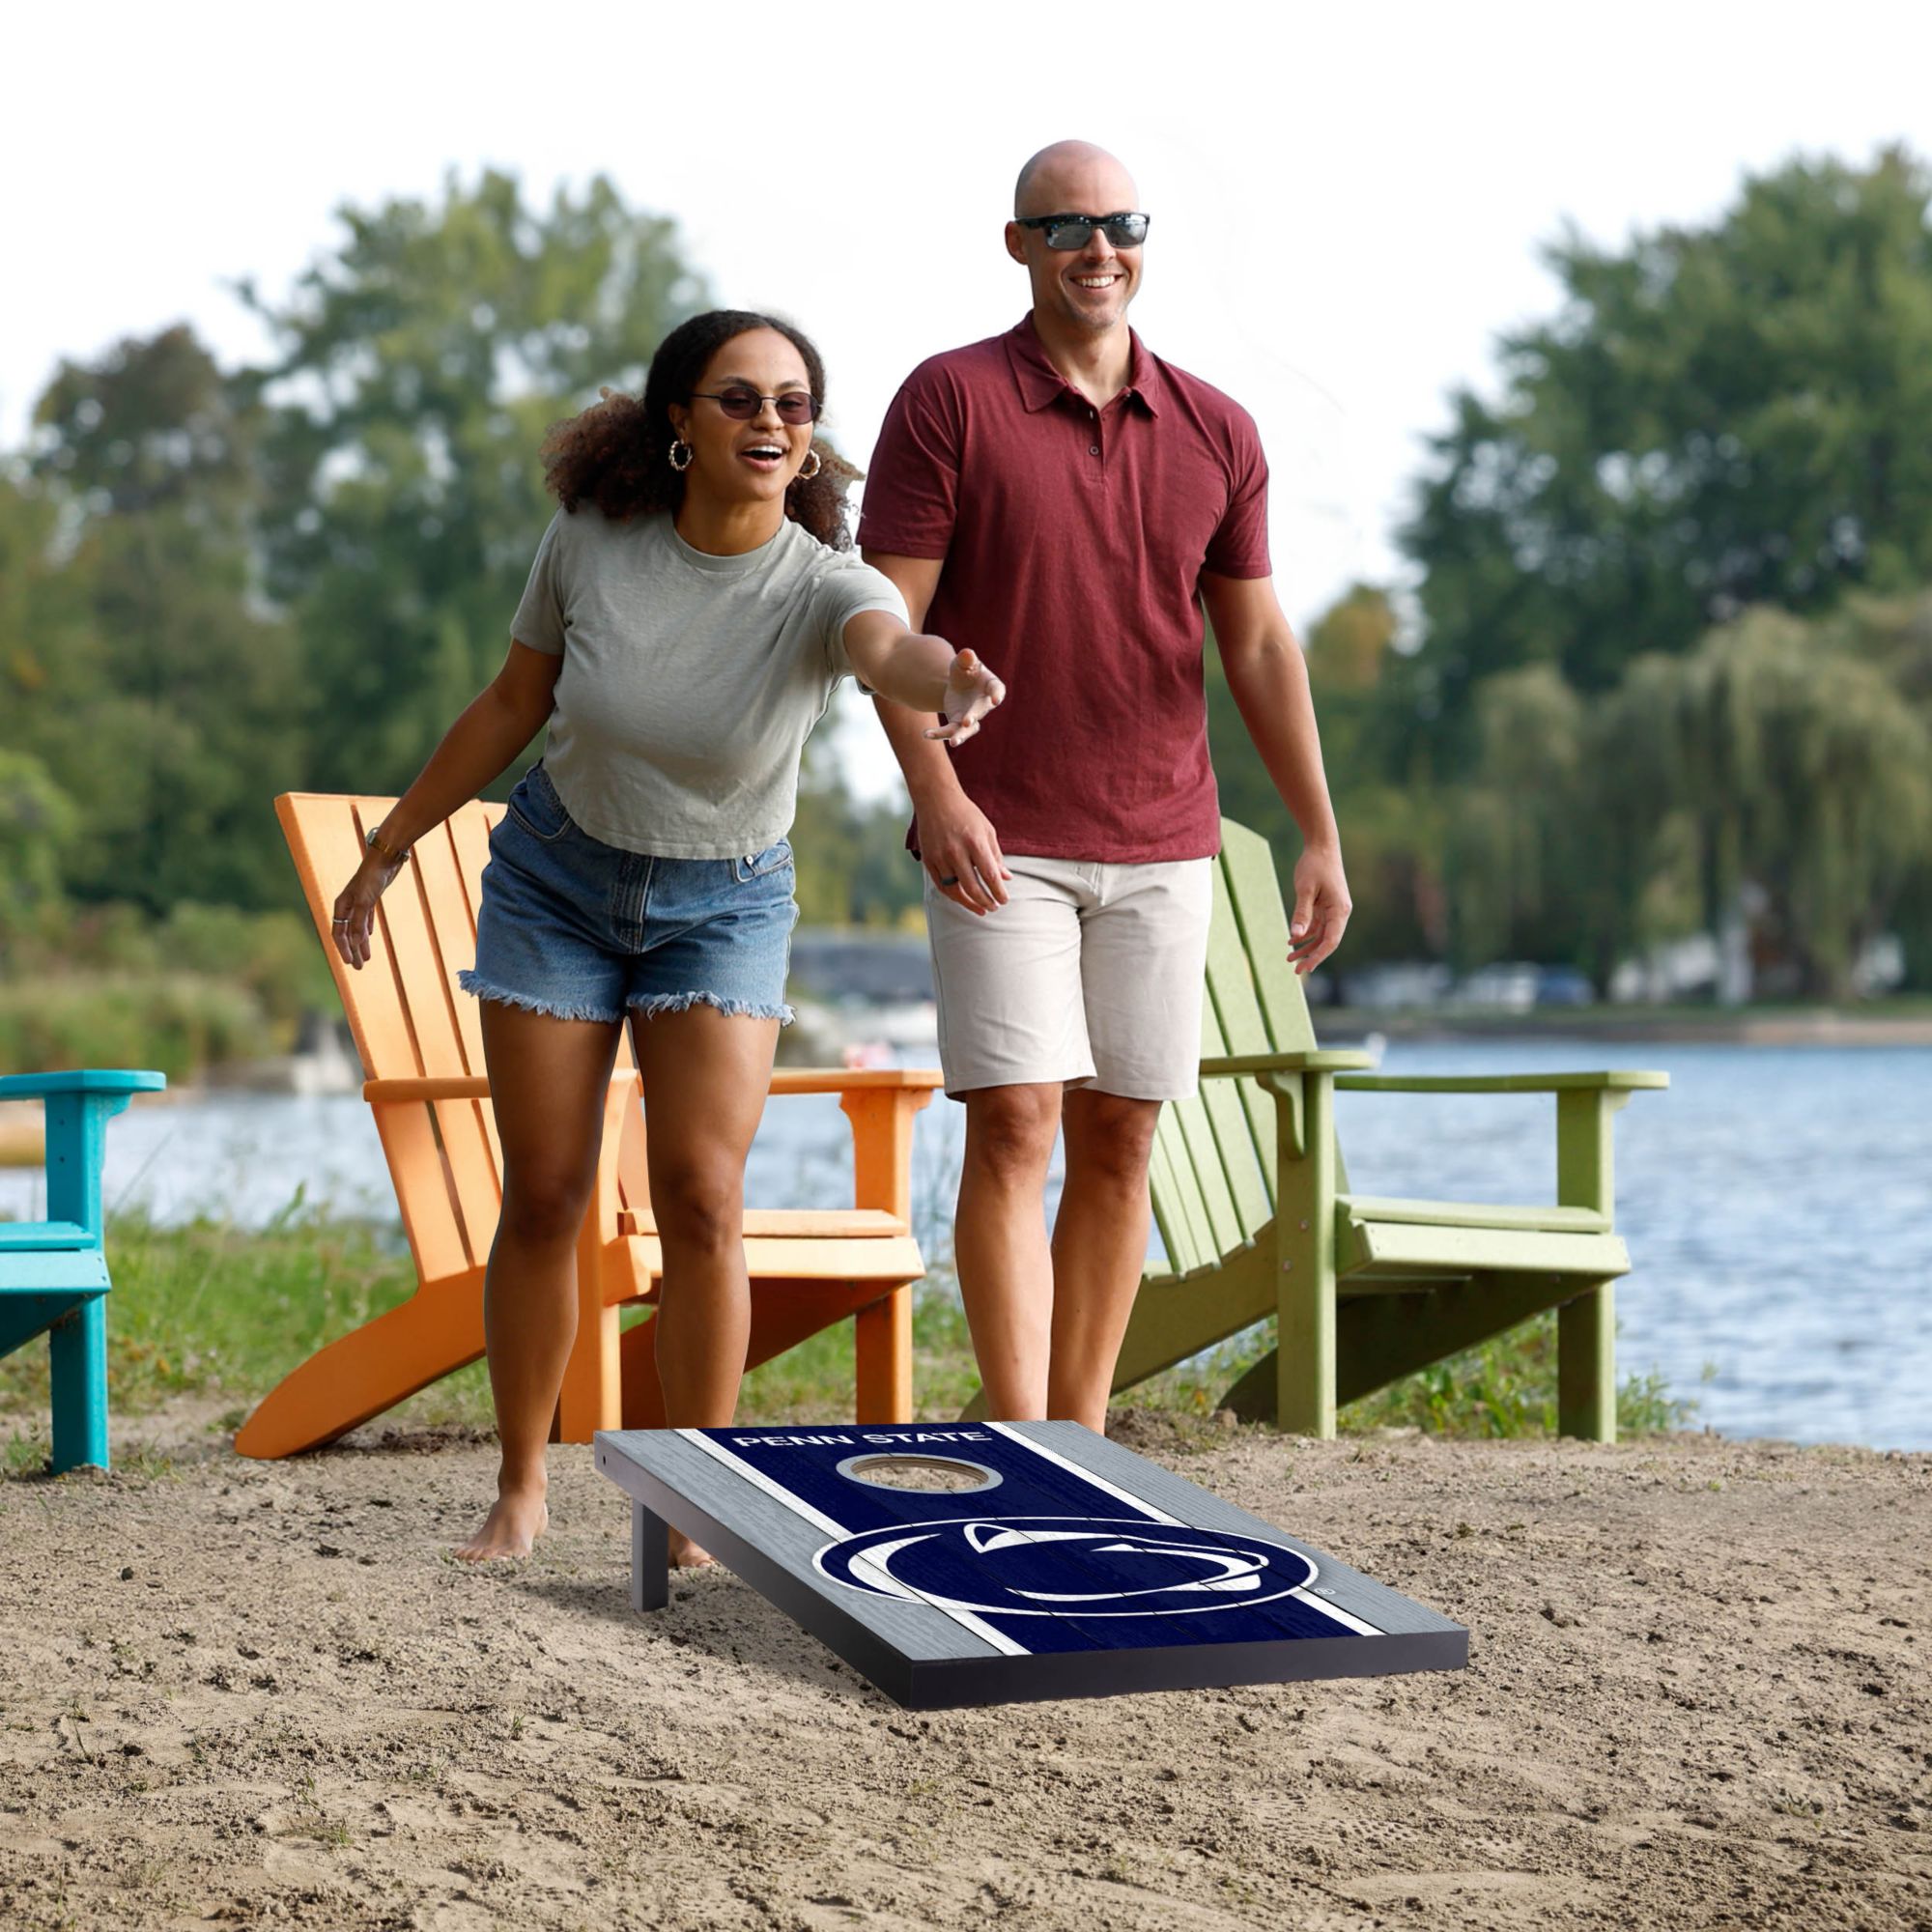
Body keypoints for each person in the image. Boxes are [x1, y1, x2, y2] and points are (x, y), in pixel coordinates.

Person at [328, 309, 1005, 1565]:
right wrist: (395, 841)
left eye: (793, 405)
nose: (769, 423)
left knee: (702, 1196)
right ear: (680, 425)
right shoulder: (592, 542)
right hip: (556, 886)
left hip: (725, 904)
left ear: (809, 443)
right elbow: (513, 701)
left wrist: (946, 683)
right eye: (739, 399)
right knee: (546, 1192)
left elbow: (887, 652)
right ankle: (523, 1487)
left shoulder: (823, 581)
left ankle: (700, 1501)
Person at [857, 141, 1350, 1431]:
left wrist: (1317, 833)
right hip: (997, 836)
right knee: (1017, 1122)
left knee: (1122, 1135)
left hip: (1163, 838)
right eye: (1065, 225)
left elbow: (1258, 643)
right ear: (1016, 244)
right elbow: (878, 629)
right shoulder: (947, 402)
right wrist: (935, 794)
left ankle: (1077, 1430)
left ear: (1144, 239)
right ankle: (1020, 1433)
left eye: (1119, 223)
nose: (1097, 247)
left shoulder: (1216, 428)